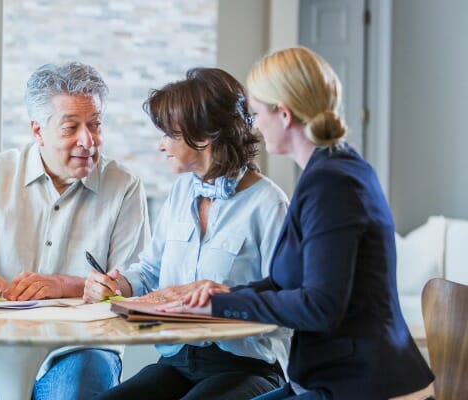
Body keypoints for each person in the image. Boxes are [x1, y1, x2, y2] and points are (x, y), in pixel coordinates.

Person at [168, 47, 435, 399]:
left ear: (283, 113)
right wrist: (229, 293)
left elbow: (320, 306)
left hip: (363, 386)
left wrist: (218, 306)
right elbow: (285, 283)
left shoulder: (332, 183)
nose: (255, 125)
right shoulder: (330, 170)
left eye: (257, 113)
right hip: (339, 379)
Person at [0, 61, 151, 400]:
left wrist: (62, 285)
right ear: (37, 131)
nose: (88, 140)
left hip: (85, 344)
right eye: (71, 128)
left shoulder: (124, 187)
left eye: (95, 124)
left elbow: (133, 289)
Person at [84, 67, 291, 400]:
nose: (161, 145)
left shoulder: (268, 205)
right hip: (177, 361)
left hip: (245, 367)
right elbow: (151, 270)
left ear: (205, 136)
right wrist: (117, 285)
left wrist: (227, 299)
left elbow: (288, 302)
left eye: (170, 134)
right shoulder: (181, 192)